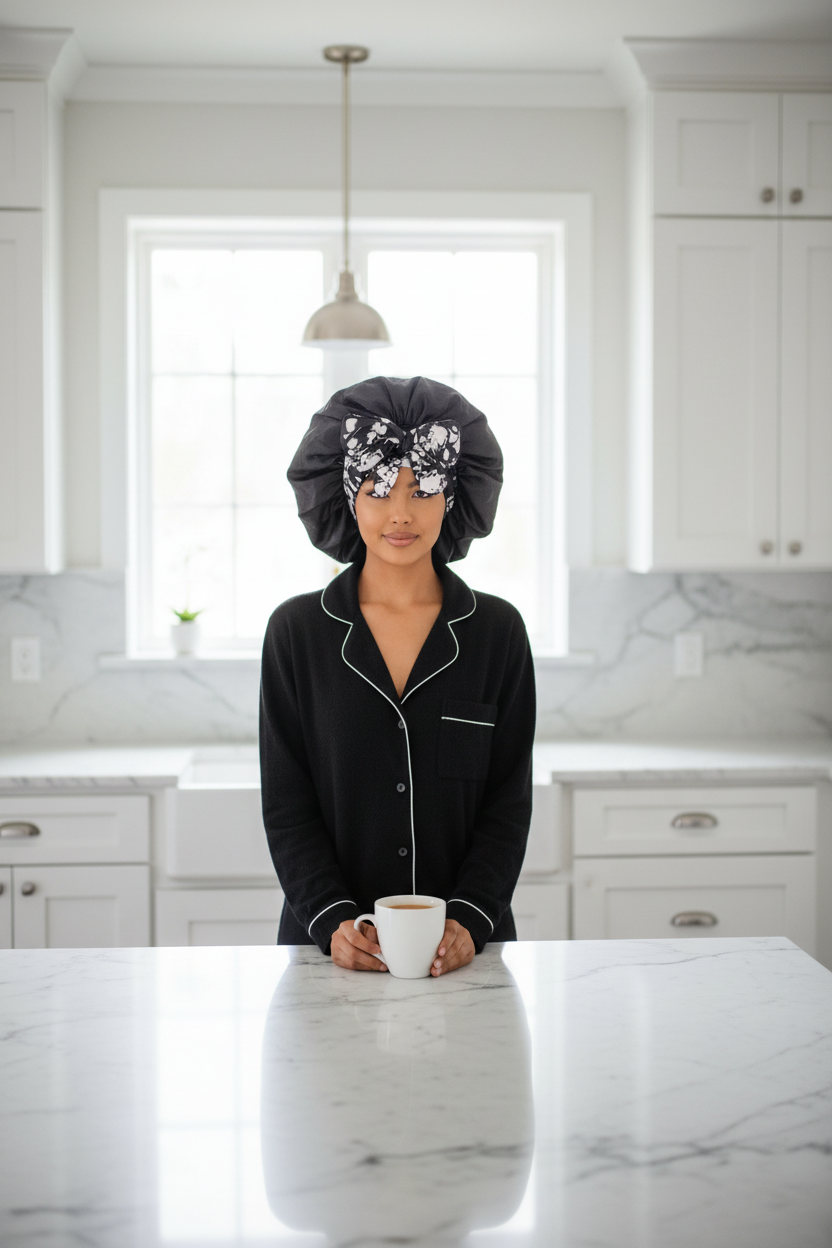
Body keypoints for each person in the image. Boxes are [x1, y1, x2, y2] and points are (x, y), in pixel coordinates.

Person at [259, 376, 535, 976]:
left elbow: (507, 804)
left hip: (467, 957)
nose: (401, 513)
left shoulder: (498, 634)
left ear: (454, 496)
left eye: (423, 490)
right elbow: (287, 806)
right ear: (346, 496)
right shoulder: (296, 634)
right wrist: (334, 920)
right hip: (327, 953)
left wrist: (470, 919)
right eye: (378, 489)